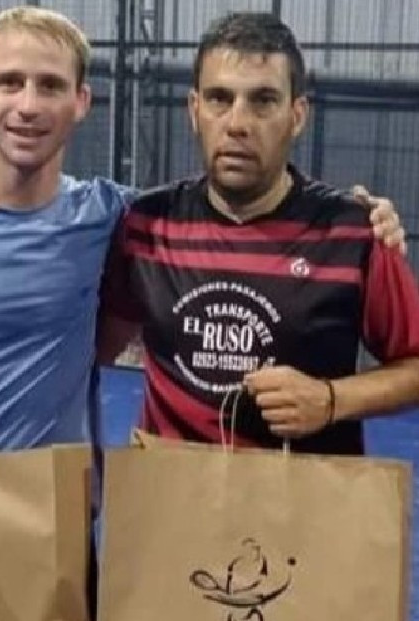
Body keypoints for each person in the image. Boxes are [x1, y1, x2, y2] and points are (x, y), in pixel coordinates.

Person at [0, 7, 406, 508]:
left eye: (50, 85)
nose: (28, 105)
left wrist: (370, 227)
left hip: (65, 517)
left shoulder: (122, 218)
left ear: (81, 101)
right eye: (9, 82)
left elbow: (105, 337)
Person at [98, 11, 419, 455]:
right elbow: (97, 346)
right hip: (170, 490)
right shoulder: (146, 225)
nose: (238, 123)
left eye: (263, 100)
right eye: (219, 98)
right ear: (194, 110)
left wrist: (331, 400)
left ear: (297, 115)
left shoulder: (353, 234)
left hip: (301, 493)